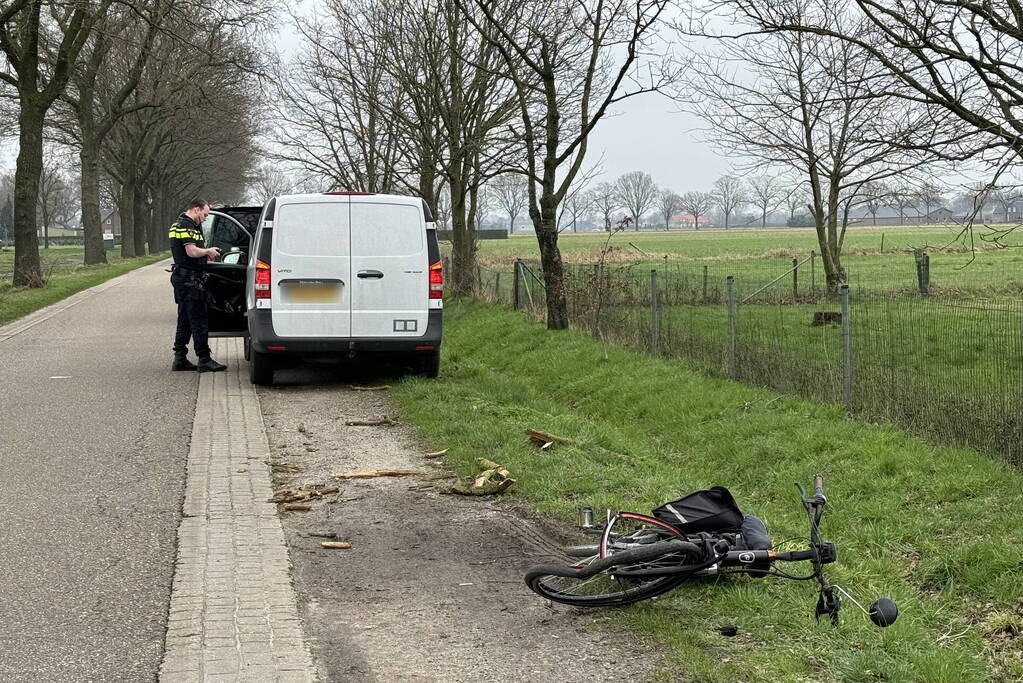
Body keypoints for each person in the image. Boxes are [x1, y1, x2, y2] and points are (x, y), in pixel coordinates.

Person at [169, 199, 227, 372]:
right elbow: (191, 251)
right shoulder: (187, 226)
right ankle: (204, 359)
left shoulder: (177, 225)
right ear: (196, 209)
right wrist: (207, 251)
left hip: (182, 277)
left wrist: (205, 254)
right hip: (190, 280)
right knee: (199, 320)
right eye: (205, 214)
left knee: (185, 319)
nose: (205, 218)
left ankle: (179, 358)